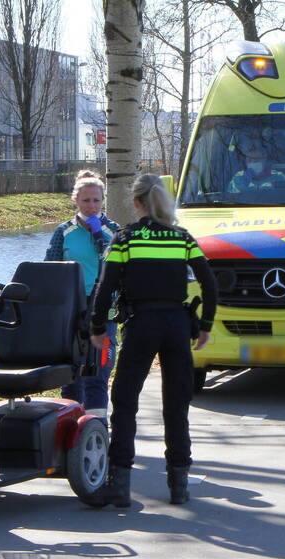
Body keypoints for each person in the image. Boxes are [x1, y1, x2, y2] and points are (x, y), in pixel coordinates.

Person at [89, 174, 218, 507]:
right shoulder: (182, 238)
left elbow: (106, 287)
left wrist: (97, 328)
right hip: (176, 324)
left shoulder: (125, 239)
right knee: (176, 407)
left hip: (141, 324)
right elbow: (210, 283)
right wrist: (205, 325)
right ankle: (179, 484)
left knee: (125, 402)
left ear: (136, 203)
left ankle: (119, 484)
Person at [45, 170, 121, 423]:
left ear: (103, 201)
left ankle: (97, 429)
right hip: (71, 308)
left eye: (96, 201)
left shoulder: (113, 232)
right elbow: (50, 269)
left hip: (104, 310)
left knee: (98, 373)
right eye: (86, 200)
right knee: (71, 374)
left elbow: (121, 269)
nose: (91, 206)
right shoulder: (63, 232)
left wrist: (98, 233)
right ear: (76, 200)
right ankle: (69, 428)